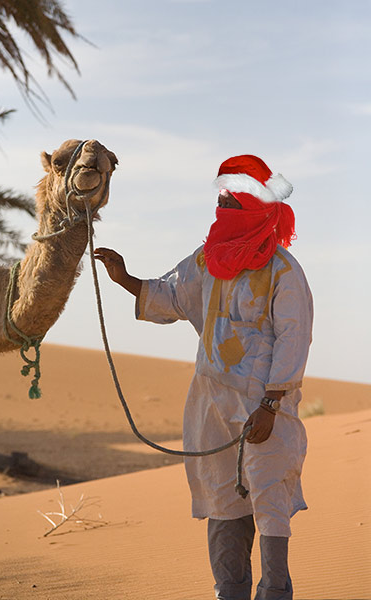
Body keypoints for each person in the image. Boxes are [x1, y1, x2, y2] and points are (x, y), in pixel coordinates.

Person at [94, 154, 313, 600]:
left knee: (270, 505)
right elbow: (173, 295)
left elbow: (294, 339)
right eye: (221, 197)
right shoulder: (208, 260)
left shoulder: (284, 273)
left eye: (231, 198)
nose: (222, 204)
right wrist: (125, 279)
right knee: (222, 501)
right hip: (211, 406)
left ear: (253, 203)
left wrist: (271, 404)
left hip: (263, 411)